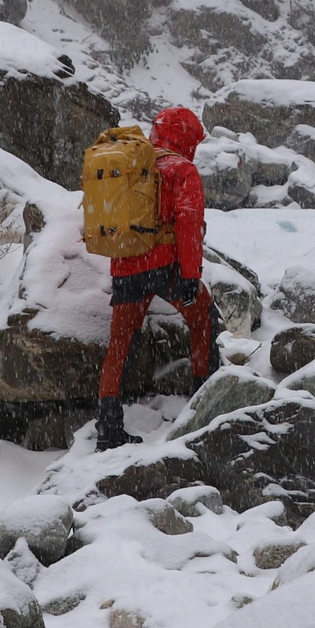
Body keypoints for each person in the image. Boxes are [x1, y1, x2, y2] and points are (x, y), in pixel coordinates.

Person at [94, 105, 214, 450]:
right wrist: (190, 276)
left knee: (119, 344)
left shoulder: (131, 164)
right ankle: (202, 406)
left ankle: (108, 428)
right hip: (165, 265)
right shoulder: (182, 169)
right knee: (203, 318)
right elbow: (188, 223)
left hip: (126, 264)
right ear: (185, 137)